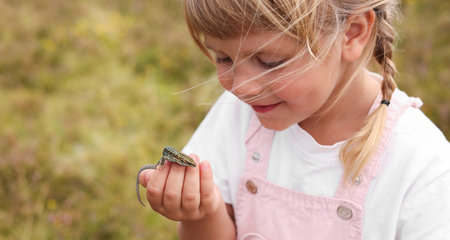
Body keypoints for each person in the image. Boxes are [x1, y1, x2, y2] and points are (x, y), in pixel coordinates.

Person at [138, 0, 450, 239]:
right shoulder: (238, 115)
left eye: (270, 62)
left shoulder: (421, 163)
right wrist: (199, 212)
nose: (242, 87)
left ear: (352, 33)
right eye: (223, 58)